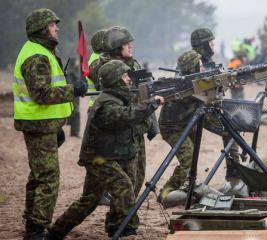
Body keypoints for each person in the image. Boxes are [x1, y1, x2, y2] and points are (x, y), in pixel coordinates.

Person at [47, 60, 164, 238]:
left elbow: (130, 126)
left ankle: (55, 233)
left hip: (107, 155)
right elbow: (126, 117)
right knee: (123, 187)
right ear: (115, 80)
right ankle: (125, 229)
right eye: (124, 76)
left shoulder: (118, 98)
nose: (129, 79)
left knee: (89, 201)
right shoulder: (107, 104)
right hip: (98, 159)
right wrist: (150, 104)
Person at [13, 8, 87, 239]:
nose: (57, 28)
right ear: (42, 29)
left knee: (38, 176)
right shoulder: (36, 56)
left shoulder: (41, 51)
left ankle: (33, 226)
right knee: (48, 179)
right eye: (53, 25)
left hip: (43, 125)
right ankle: (36, 231)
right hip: (38, 125)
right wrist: (73, 89)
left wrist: (56, 126)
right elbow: (42, 94)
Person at [190, 28, 241, 187]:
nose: (213, 46)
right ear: (203, 45)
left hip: (203, 108)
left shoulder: (204, 61)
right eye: (211, 43)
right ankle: (234, 175)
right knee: (230, 130)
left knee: (231, 130)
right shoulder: (194, 62)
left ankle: (234, 173)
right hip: (193, 110)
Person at [157, 50, 205, 201]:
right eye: (200, 65)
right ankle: (167, 193)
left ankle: (188, 186)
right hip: (172, 128)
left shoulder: (191, 81)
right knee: (188, 159)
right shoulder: (181, 85)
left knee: (193, 157)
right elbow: (197, 97)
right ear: (193, 68)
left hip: (186, 123)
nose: (203, 68)